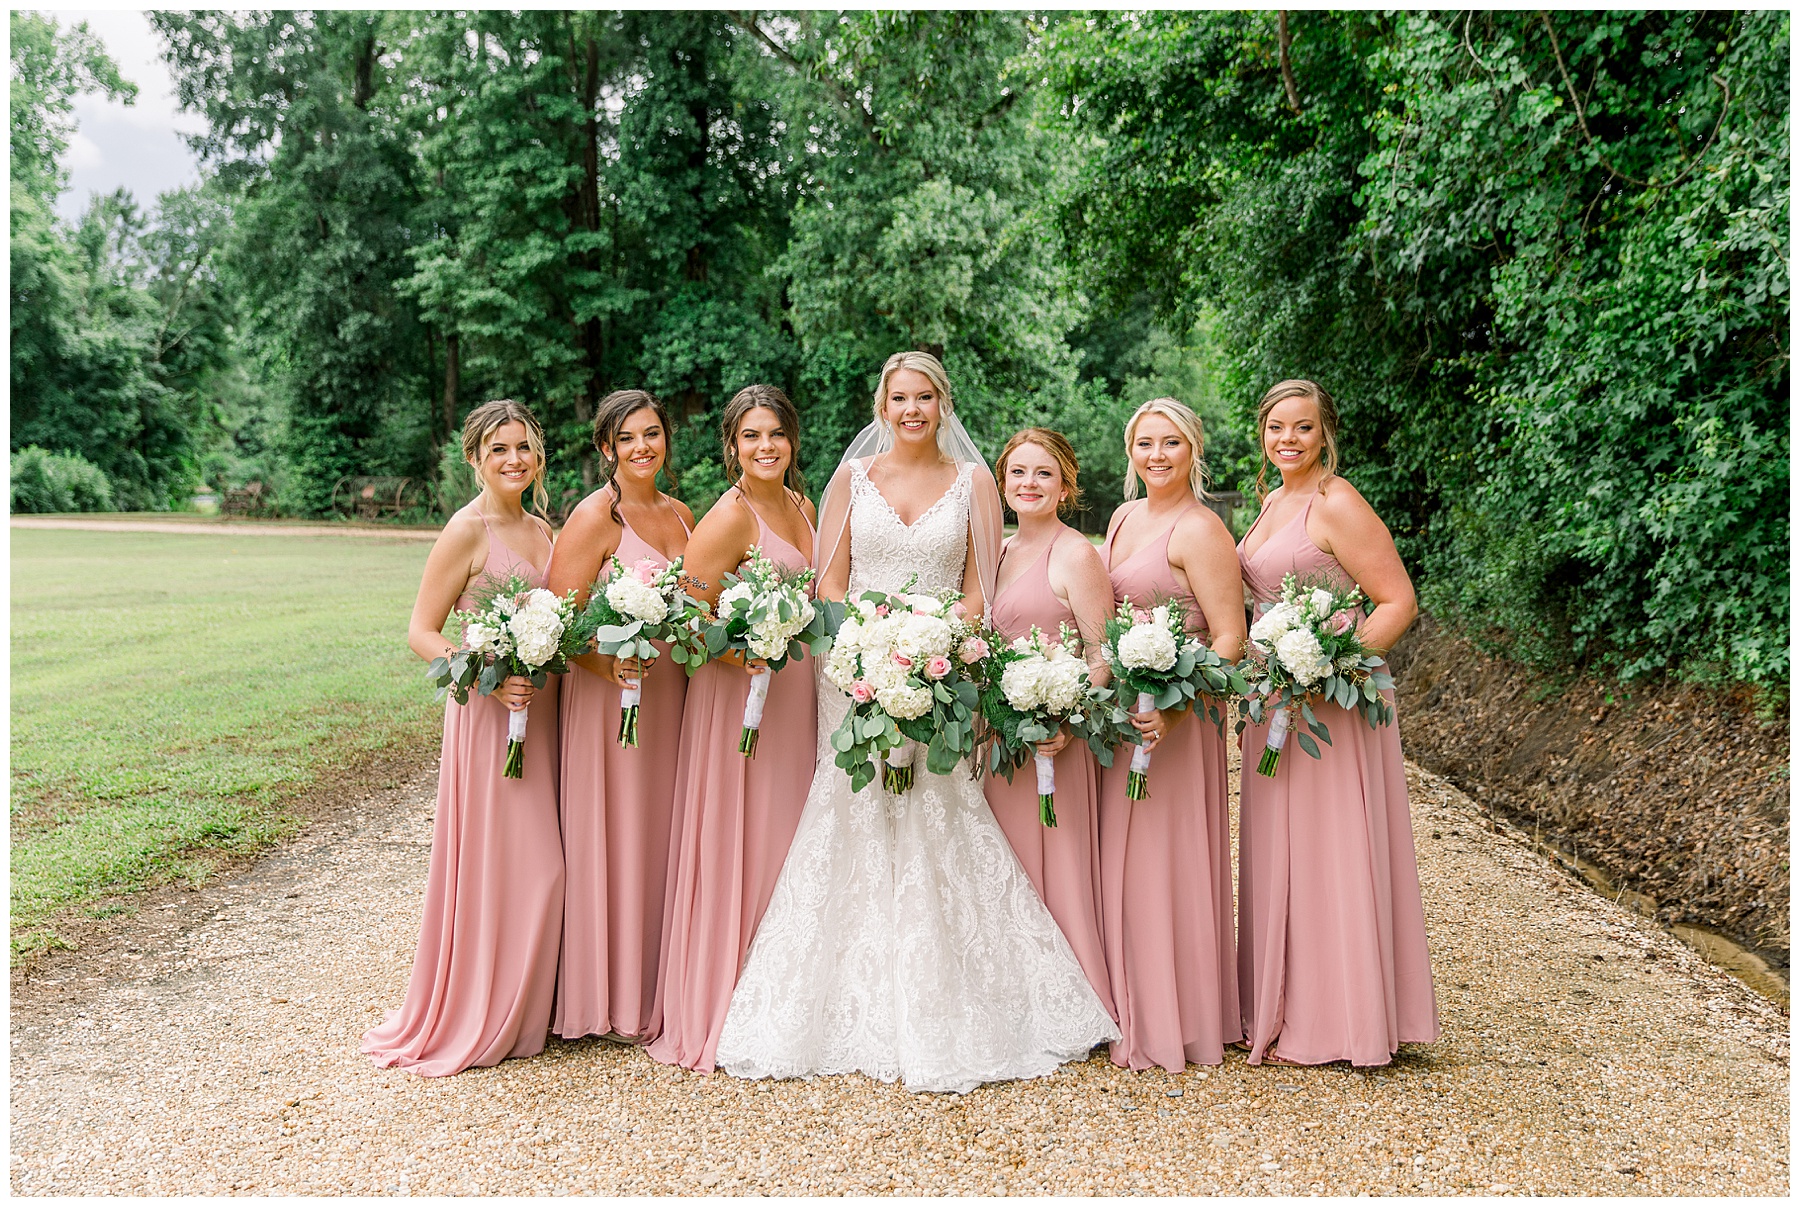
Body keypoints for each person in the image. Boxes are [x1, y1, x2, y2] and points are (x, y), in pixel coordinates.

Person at [714, 352, 1118, 1095]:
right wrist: (873, 641)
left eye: (923, 396)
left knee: (937, 811)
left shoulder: (975, 483)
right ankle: (830, 1002)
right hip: (856, 666)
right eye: (898, 397)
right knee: (853, 808)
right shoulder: (849, 479)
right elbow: (828, 579)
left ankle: (952, 997)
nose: (910, 409)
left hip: (938, 669)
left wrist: (926, 641)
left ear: (943, 402)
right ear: (881, 403)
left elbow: (979, 590)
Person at [1235, 378, 1439, 1066]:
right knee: (1281, 847)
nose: (1287, 439)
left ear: (1325, 433)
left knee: (1332, 847)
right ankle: (1287, 1002)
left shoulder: (1337, 501)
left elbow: (1396, 601)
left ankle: (1346, 1018)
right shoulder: (1270, 503)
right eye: (1275, 428)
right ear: (1261, 435)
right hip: (1275, 698)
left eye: (1302, 427)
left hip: (1334, 703)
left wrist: (1331, 663)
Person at [363, 399, 565, 1076]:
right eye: (498, 448)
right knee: (528, 865)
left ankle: (530, 1007)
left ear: (538, 455)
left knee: (534, 862)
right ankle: (482, 1010)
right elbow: (421, 630)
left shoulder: (542, 528)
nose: (514, 459)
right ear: (473, 457)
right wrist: (485, 672)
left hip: (544, 711)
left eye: (524, 447)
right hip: (488, 715)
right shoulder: (466, 529)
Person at [645, 384, 819, 1074]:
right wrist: (732, 643)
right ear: (732, 446)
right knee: (743, 835)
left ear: (792, 440)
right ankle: (723, 999)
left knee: (787, 837)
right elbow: (685, 617)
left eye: (775, 433)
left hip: (796, 693)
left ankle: (783, 995)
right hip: (739, 696)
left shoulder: (802, 506)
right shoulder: (727, 516)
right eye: (751, 436)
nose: (765, 446)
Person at [1096, 397, 1247, 1073]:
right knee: (1122, 863)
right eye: (1145, 444)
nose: (1157, 455)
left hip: (1179, 719)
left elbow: (1231, 639)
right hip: (1128, 711)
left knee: (1165, 863)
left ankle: (1178, 1019)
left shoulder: (1201, 529)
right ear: (1130, 452)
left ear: (1193, 450)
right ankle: (1128, 1003)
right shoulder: (1125, 517)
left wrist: (1179, 710)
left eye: (1171, 444)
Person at [545, 390, 694, 1044]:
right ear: (606, 447)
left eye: (652, 434)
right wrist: (610, 668)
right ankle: (606, 996)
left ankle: (660, 985)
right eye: (627, 437)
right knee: (615, 831)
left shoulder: (683, 513)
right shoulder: (592, 518)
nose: (642, 448)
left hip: (672, 699)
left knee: (661, 831)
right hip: (611, 702)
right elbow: (557, 621)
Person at [983, 428, 1117, 1020]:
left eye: (1042, 473)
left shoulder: (1076, 554)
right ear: (1002, 481)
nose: (1028, 484)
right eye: (1017, 472)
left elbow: (1101, 657)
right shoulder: (996, 551)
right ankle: (1010, 1001)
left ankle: (1071, 1005)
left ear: (1065, 485)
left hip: (1055, 742)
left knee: (1053, 863)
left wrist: (1064, 717)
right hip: (997, 736)